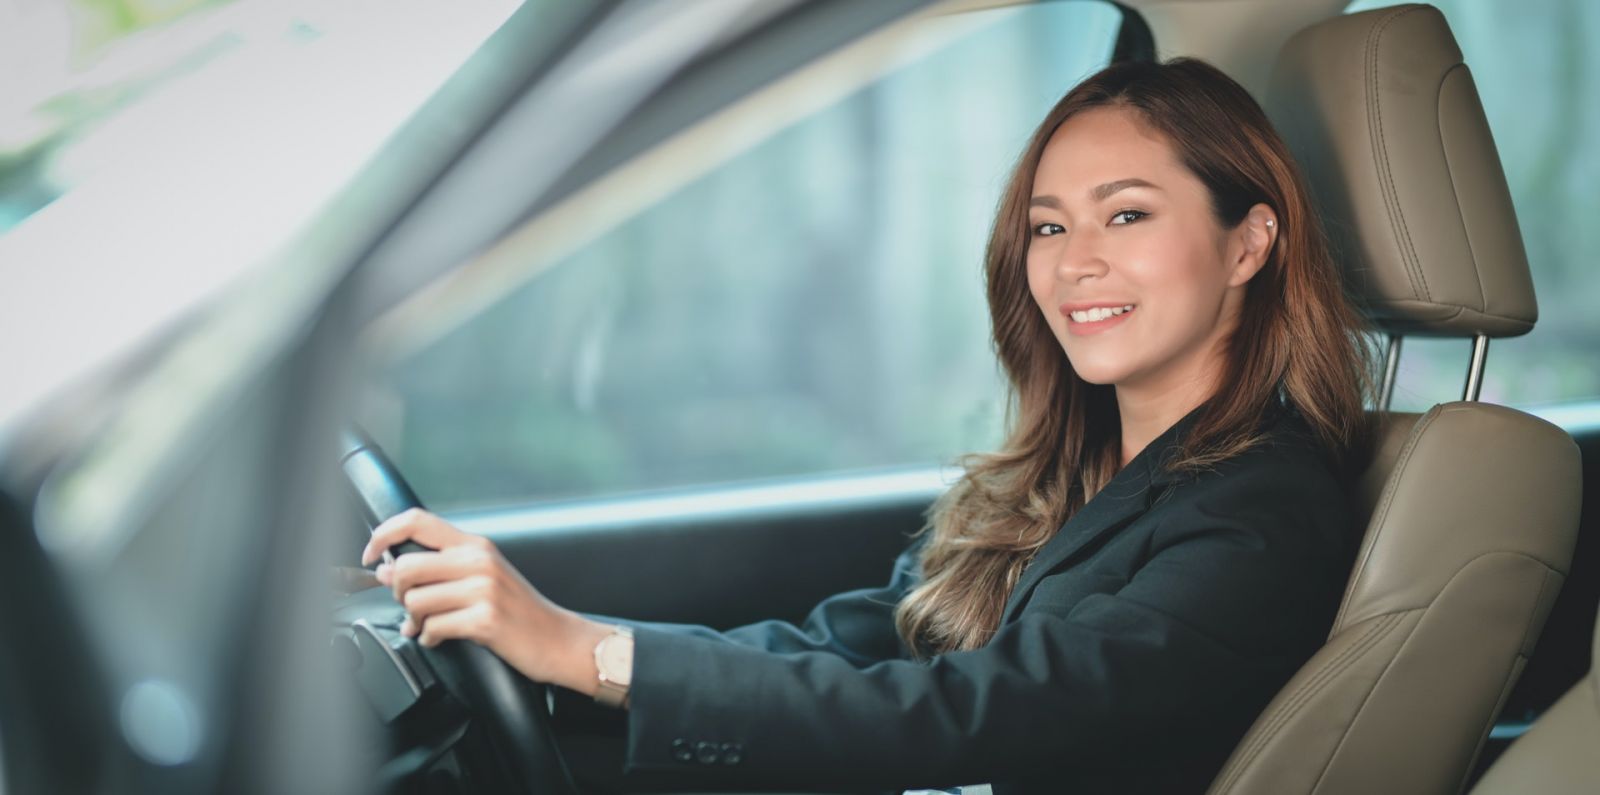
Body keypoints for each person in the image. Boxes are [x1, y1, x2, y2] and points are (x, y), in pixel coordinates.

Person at [360, 57, 1375, 794]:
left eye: (1127, 215)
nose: (1073, 265)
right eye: (1048, 227)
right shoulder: (1063, 472)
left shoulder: (1261, 514)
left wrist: (584, 653)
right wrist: (558, 653)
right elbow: (852, 650)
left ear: (1248, 244)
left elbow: (976, 715)